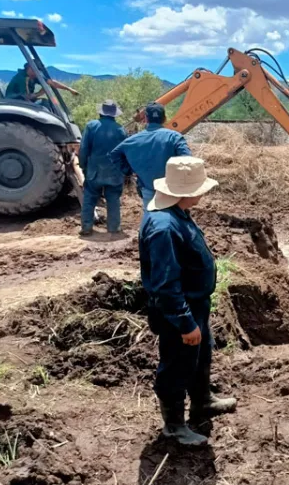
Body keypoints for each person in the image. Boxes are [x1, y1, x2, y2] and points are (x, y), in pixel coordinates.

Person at [140, 156, 236, 446]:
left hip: (195, 306)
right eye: (200, 189)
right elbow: (166, 284)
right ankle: (174, 426)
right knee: (177, 364)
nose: (203, 193)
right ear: (186, 192)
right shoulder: (164, 228)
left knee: (200, 353)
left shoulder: (178, 213)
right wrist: (184, 322)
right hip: (178, 311)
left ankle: (202, 401)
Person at [110, 102, 191, 210]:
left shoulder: (132, 140)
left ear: (146, 119)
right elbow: (188, 159)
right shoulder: (175, 137)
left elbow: (114, 154)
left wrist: (128, 170)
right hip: (172, 191)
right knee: (174, 221)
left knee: (151, 219)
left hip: (148, 189)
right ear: (164, 118)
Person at [78, 100, 128, 236]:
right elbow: (125, 153)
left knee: (89, 199)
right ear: (114, 115)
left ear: (101, 113)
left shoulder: (91, 126)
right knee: (113, 200)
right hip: (114, 172)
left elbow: (83, 149)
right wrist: (125, 171)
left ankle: (86, 227)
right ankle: (114, 227)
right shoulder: (121, 130)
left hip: (94, 171)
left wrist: (83, 167)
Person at [5, 63, 80, 102]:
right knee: (42, 105)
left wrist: (69, 89)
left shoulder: (34, 76)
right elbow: (27, 97)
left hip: (22, 100)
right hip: (15, 100)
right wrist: (40, 93)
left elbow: (51, 82)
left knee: (45, 103)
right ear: (30, 68)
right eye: (36, 69)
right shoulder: (22, 78)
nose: (38, 72)